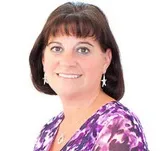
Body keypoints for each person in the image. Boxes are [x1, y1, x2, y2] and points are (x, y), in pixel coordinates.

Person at [29, 2, 148, 151]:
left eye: (83, 50)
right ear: (43, 58)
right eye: (57, 48)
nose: (67, 61)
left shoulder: (118, 127)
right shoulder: (49, 129)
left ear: (106, 59)